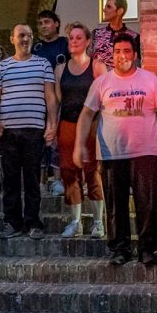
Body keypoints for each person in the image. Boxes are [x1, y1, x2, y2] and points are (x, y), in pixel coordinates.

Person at [74, 33, 157, 266]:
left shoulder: (150, 79)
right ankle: (120, 248)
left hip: (145, 151)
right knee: (115, 204)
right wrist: (79, 144)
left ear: (134, 55)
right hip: (112, 153)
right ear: (112, 55)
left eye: (126, 51)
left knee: (147, 202)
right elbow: (86, 114)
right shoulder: (102, 83)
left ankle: (147, 249)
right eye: (117, 52)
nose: (121, 56)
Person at [0, 24, 58, 240]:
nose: (25, 39)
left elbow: (50, 97)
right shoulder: (2, 67)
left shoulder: (43, 64)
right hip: (8, 132)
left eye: (28, 35)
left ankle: (33, 223)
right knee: (10, 180)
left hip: (34, 131)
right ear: (12, 39)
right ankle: (12, 223)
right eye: (21, 35)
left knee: (32, 179)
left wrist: (52, 124)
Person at [54, 22, 107, 238]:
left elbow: (104, 101)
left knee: (92, 172)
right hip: (67, 124)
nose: (74, 41)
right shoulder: (60, 69)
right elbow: (57, 101)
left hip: (92, 126)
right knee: (68, 173)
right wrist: (52, 127)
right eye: (71, 38)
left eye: (78, 37)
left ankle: (98, 222)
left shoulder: (97, 66)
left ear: (87, 42)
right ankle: (75, 222)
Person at [32, 9, 68, 196]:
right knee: (39, 139)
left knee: (56, 139)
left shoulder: (65, 44)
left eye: (47, 22)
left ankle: (58, 180)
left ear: (56, 24)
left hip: (61, 98)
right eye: (40, 23)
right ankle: (41, 181)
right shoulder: (36, 48)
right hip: (39, 100)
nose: (43, 26)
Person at [92, 0, 141, 70]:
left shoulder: (134, 37)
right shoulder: (96, 34)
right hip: (100, 77)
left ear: (119, 11)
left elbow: (136, 65)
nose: (104, 10)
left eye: (109, 7)